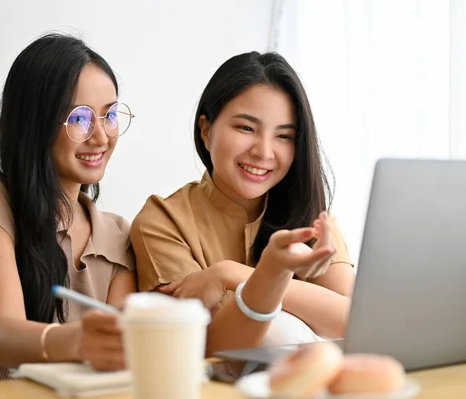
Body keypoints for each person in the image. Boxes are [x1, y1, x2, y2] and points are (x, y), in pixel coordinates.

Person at [0, 33, 136, 398]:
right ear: (35, 122)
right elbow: (0, 338)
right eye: (79, 118)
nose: (101, 136)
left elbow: (113, 361)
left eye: (110, 115)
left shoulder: (118, 234)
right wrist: (81, 340)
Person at [130, 51, 355, 355]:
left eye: (284, 136)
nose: (264, 152)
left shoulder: (312, 217)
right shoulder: (162, 220)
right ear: (206, 131)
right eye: (246, 128)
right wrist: (272, 275)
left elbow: (353, 322)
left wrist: (229, 274)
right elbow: (213, 348)